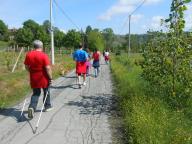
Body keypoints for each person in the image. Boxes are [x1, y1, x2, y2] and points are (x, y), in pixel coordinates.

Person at [24, 40, 53, 119]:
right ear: (41, 46)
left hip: (34, 77)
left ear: (34, 46)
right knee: (46, 91)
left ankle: (32, 107)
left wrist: (31, 71)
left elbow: (26, 66)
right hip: (43, 77)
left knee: (36, 93)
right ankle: (47, 106)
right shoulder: (44, 55)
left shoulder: (28, 54)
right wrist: (50, 77)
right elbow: (48, 68)